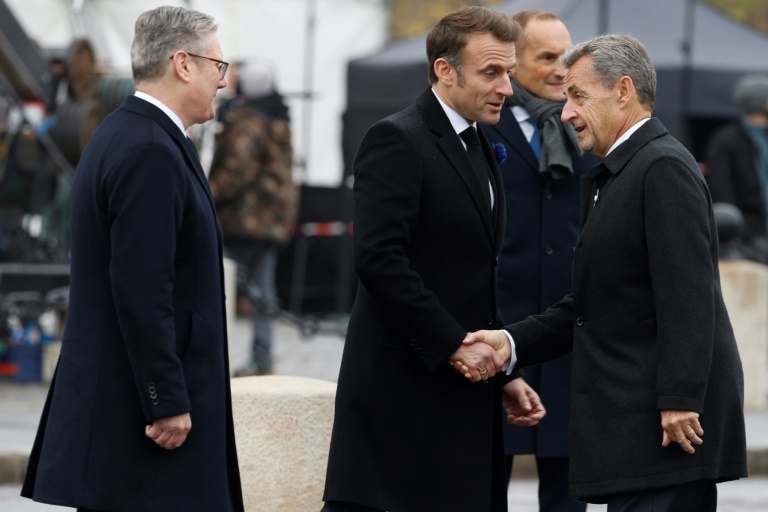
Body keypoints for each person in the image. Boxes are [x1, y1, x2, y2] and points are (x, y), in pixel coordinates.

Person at [459, 34, 748, 511]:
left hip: (666, 430)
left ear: (623, 91)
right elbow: (588, 305)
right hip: (638, 430)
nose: (567, 112)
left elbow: (688, 294)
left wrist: (680, 400)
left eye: (577, 96)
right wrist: (509, 342)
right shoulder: (620, 172)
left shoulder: (661, 168)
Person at [21, 6, 245, 511]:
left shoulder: (132, 133)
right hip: (143, 429)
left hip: (130, 419)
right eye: (218, 66)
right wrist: (166, 399)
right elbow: (142, 288)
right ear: (183, 64)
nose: (223, 82)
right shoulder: (149, 149)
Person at [321, 7, 544, 512]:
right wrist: (452, 345)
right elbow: (378, 259)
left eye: (509, 72)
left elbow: (473, 273)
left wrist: (506, 375)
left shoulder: (480, 142)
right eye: (492, 72)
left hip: (464, 390)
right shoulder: (396, 139)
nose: (507, 87)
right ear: (445, 71)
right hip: (403, 398)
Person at [479, 10, 597, 512]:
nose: (559, 69)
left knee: (569, 489)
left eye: (565, 57)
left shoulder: (590, 127)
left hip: (571, 337)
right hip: (495, 332)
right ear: (512, 64)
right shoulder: (483, 126)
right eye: (546, 57)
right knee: (482, 486)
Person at [209, 57, 298, 376]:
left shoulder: (247, 120)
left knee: (215, 285)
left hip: (244, 221)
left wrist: (203, 194)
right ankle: (263, 358)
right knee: (262, 292)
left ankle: (209, 359)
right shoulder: (279, 118)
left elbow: (236, 171)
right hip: (270, 222)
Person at [705, 74, 768, 264]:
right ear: (760, 101)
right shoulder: (726, 140)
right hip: (749, 236)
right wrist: (744, 234)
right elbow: (722, 191)